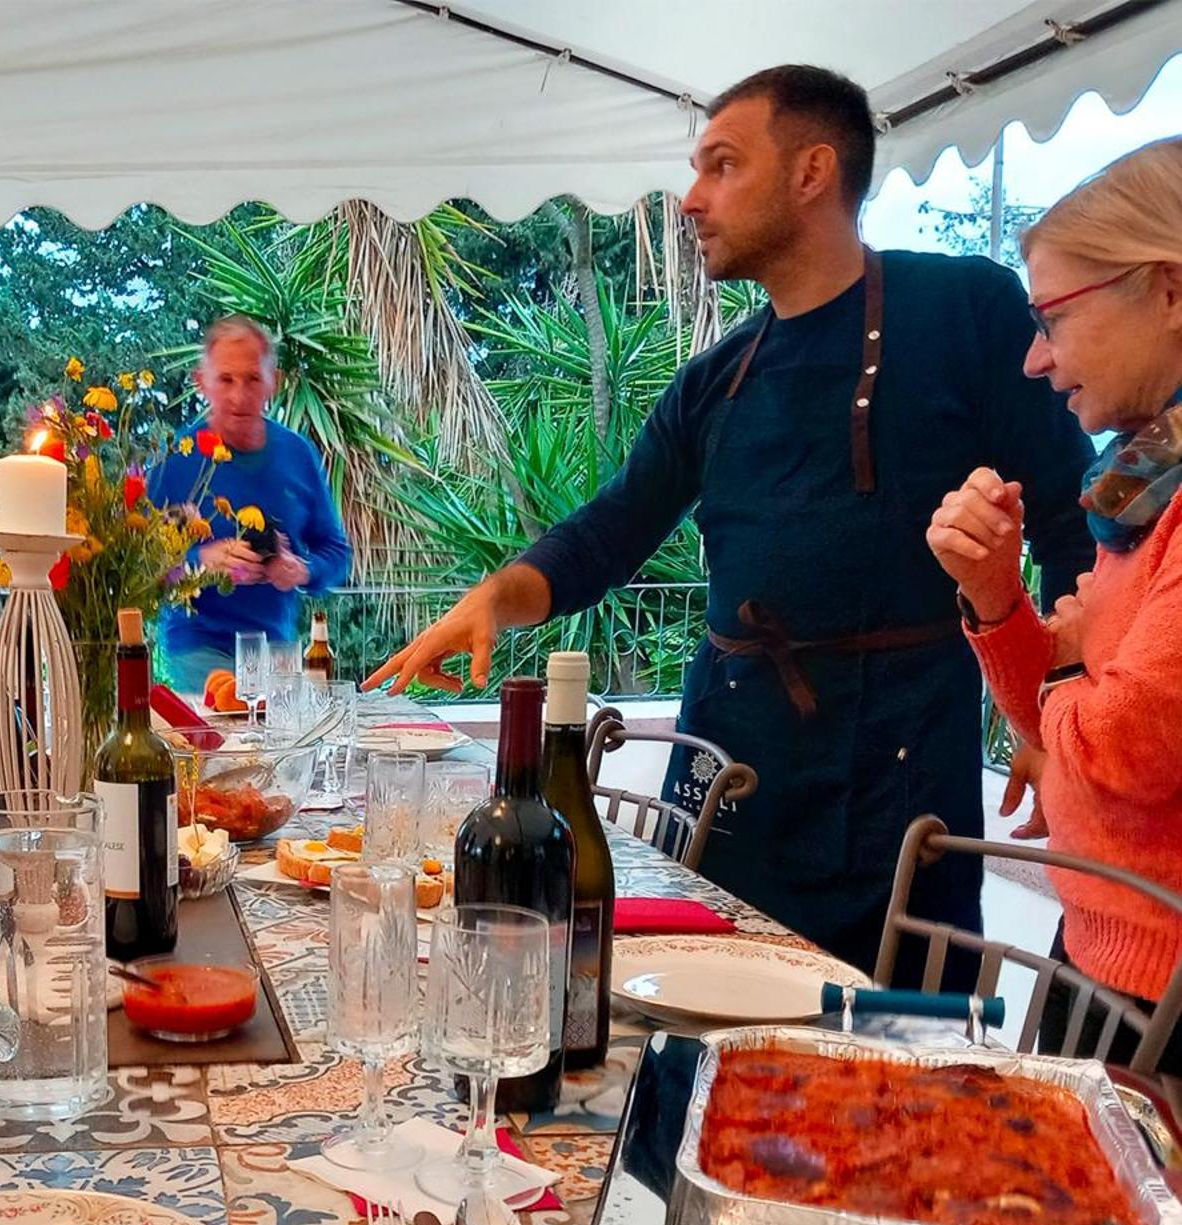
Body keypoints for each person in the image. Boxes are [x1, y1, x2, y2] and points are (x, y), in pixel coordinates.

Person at [365, 66, 1095, 972]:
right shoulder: (716, 376)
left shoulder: (965, 311)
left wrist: (1058, 701)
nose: (690, 198)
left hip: (901, 770)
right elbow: (612, 529)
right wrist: (497, 597)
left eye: (721, 166)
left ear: (811, 171)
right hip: (734, 758)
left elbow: (1073, 518)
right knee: (698, 1021)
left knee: (892, 1061)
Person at [927, 137, 1182, 1064]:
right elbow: (1057, 728)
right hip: (1108, 956)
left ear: (1169, 291)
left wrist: (1073, 660)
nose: (1036, 360)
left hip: (1162, 1003)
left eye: (1053, 319)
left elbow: (1124, 750)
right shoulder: (1146, 488)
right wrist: (997, 600)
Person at [151, 315, 353, 692]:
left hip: (276, 650)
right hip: (198, 648)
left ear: (272, 383)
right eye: (226, 379)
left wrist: (300, 569)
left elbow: (337, 553)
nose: (239, 396)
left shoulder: (298, 454)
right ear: (202, 383)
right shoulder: (175, 458)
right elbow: (140, 567)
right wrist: (202, 562)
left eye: (252, 379)